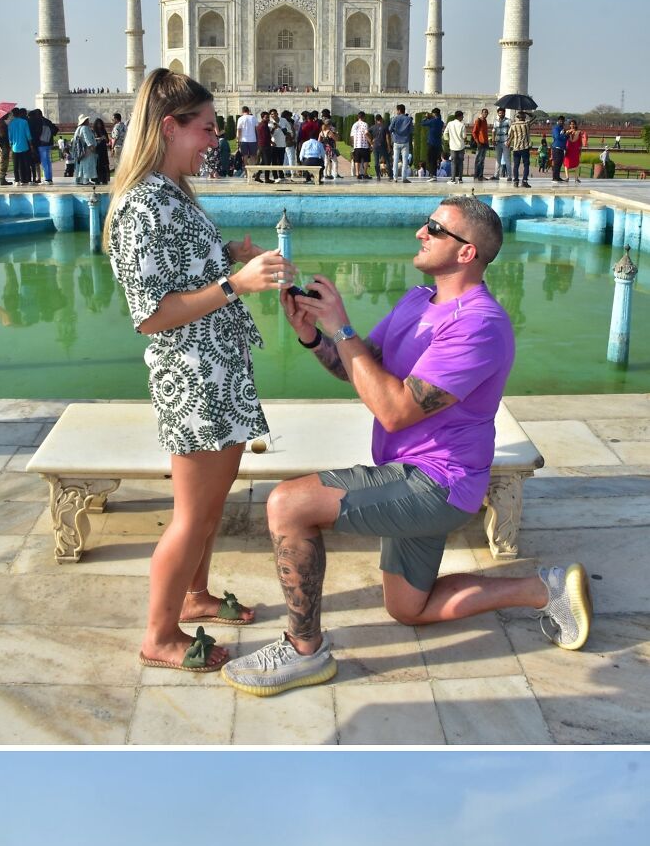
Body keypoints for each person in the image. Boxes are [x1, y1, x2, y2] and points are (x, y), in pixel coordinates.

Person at [221, 196, 593, 699]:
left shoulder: (478, 325)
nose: (421, 232)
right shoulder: (419, 300)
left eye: (435, 229)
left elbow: (395, 410)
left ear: (467, 254)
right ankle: (544, 588)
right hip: (407, 472)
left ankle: (304, 651)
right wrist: (315, 337)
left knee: (288, 504)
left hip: (438, 482)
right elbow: (361, 369)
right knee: (407, 608)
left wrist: (342, 326)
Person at [104, 68, 293, 673]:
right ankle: (159, 635)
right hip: (192, 380)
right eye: (206, 128)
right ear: (169, 127)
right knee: (191, 514)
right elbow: (153, 314)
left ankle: (195, 594)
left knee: (212, 506)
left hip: (221, 371)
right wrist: (234, 281)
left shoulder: (174, 192)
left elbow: (187, 273)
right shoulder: (141, 206)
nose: (215, 138)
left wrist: (227, 256)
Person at [7, 107, 33, 185]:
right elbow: (28, 135)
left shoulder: (10, 123)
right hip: (24, 146)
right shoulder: (24, 122)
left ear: (13, 114)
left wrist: (11, 145)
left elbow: (10, 137)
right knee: (26, 164)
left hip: (15, 148)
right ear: (19, 114)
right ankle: (28, 180)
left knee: (16, 165)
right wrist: (31, 145)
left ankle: (17, 180)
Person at [389, 104, 413, 182]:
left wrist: (395, 132)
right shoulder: (408, 119)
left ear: (399, 110)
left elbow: (390, 129)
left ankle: (395, 178)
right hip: (405, 142)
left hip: (396, 141)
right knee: (405, 160)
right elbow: (411, 130)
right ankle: (404, 178)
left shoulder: (395, 118)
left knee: (395, 160)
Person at [72, 113, 98, 183]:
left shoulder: (79, 128)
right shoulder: (85, 128)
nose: (88, 121)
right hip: (87, 150)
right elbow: (87, 138)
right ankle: (85, 180)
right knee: (87, 164)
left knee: (83, 165)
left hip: (83, 150)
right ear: (85, 121)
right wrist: (91, 147)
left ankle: (82, 180)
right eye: (87, 120)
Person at [508, 112, 531, 187]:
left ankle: (516, 181)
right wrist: (527, 113)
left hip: (516, 148)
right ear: (524, 117)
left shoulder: (513, 125)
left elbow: (510, 135)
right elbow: (534, 117)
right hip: (525, 147)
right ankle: (524, 181)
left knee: (516, 165)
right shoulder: (526, 124)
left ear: (517, 117)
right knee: (526, 165)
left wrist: (508, 142)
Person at [442, 110, 466, 184]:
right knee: (460, 163)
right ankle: (460, 179)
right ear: (459, 116)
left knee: (453, 163)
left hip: (452, 146)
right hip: (461, 146)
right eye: (462, 116)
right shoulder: (462, 125)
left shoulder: (450, 124)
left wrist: (448, 140)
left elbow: (445, 133)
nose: (463, 117)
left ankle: (453, 179)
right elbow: (464, 136)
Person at [236, 106, 257, 177]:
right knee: (253, 156)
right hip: (253, 139)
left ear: (242, 111)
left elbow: (239, 130)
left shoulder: (240, 119)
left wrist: (238, 140)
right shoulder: (253, 118)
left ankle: (246, 173)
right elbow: (256, 129)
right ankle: (253, 172)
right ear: (249, 111)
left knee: (244, 156)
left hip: (243, 140)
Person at [350, 111, 370, 179]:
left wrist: (353, 145)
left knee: (357, 160)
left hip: (356, 145)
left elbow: (352, 136)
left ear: (358, 117)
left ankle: (357, 174)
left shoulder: (354, 125)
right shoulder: (365, 124)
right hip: (364, 145)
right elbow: (366, 133)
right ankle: (365, 173)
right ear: (364, 117)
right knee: (366, 160)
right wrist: (370, 141)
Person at [492, 106, 510, 181]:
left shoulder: (508, 121)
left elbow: (511, 132)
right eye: (499, 113)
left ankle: (509, 176)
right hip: (498, 142)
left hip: (505, 142)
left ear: (504, 113)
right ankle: (496, 175)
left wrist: (509, 141)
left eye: (502, 113)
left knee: (507, 159)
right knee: (498, 160)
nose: (501, 114)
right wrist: (493, 140)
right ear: (498, 113)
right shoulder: (495, 121)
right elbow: (493, 131)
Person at [38, 114, 57, 183]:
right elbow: (55, 130)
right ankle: (49, 178)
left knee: (44, 162)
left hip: (42, 144)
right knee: (48, 162)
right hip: (49, 143)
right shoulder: (48, 121)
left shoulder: (39, 122)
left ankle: (47, 178)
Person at [471, 108, 489, 182]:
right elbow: (474, 132)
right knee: (478, 160)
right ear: (481, 113)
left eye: (486, 113)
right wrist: (477, 142)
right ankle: (476, 175)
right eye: (484, 112)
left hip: (484, 143)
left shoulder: (485, 121)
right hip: (480, 143)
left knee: (482, 160)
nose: (485, 114)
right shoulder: (478, 120)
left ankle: (480, 175)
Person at [319, 114, 338, 180]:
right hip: (330, 148)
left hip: (324, 148)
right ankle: (335, 174)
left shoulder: (322, 132)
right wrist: (336, 133)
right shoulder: (330, 132)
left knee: (326, 161)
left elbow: (319, 141)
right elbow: (336, 139)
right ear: (329, 125)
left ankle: (325, 174)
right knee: (335, 161)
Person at [563, 119, 582, 185]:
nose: (572, 125)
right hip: (569, 149)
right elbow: (564, 139)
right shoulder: (567, 131)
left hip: (575, 149)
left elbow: (580, 142)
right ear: (569, 125)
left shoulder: (579, 132)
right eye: (571, 124)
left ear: (575, 125)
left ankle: (576, 178)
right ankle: (567, 177)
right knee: (566, 163)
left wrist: (580, 151)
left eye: (573, 124)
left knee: (576, 163)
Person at [93, 116, 111, 183]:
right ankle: (98, 179)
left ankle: (104, 179)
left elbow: (107, 141)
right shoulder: (94, 131)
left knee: (104, 164)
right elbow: (92, 140)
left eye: (100, 124)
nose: (99, 125)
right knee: (98, 163)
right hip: (98, 149)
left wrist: (105, 138)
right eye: (98, 124)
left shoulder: (103, 131)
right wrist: (99, 138)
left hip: (103, 149)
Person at [551, 115, 567, 183]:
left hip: (561, 148)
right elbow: (557, 137)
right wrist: (564, 135)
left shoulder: (562, 128)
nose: (562, 122)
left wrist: (567, 135)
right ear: (558, 121)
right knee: (557, 163)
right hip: (557, 148)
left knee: (559, 163)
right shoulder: (556, 128)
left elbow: (564, 138)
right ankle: (554, 178)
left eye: (563, 121)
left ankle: (557, 177)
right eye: (560, 121)